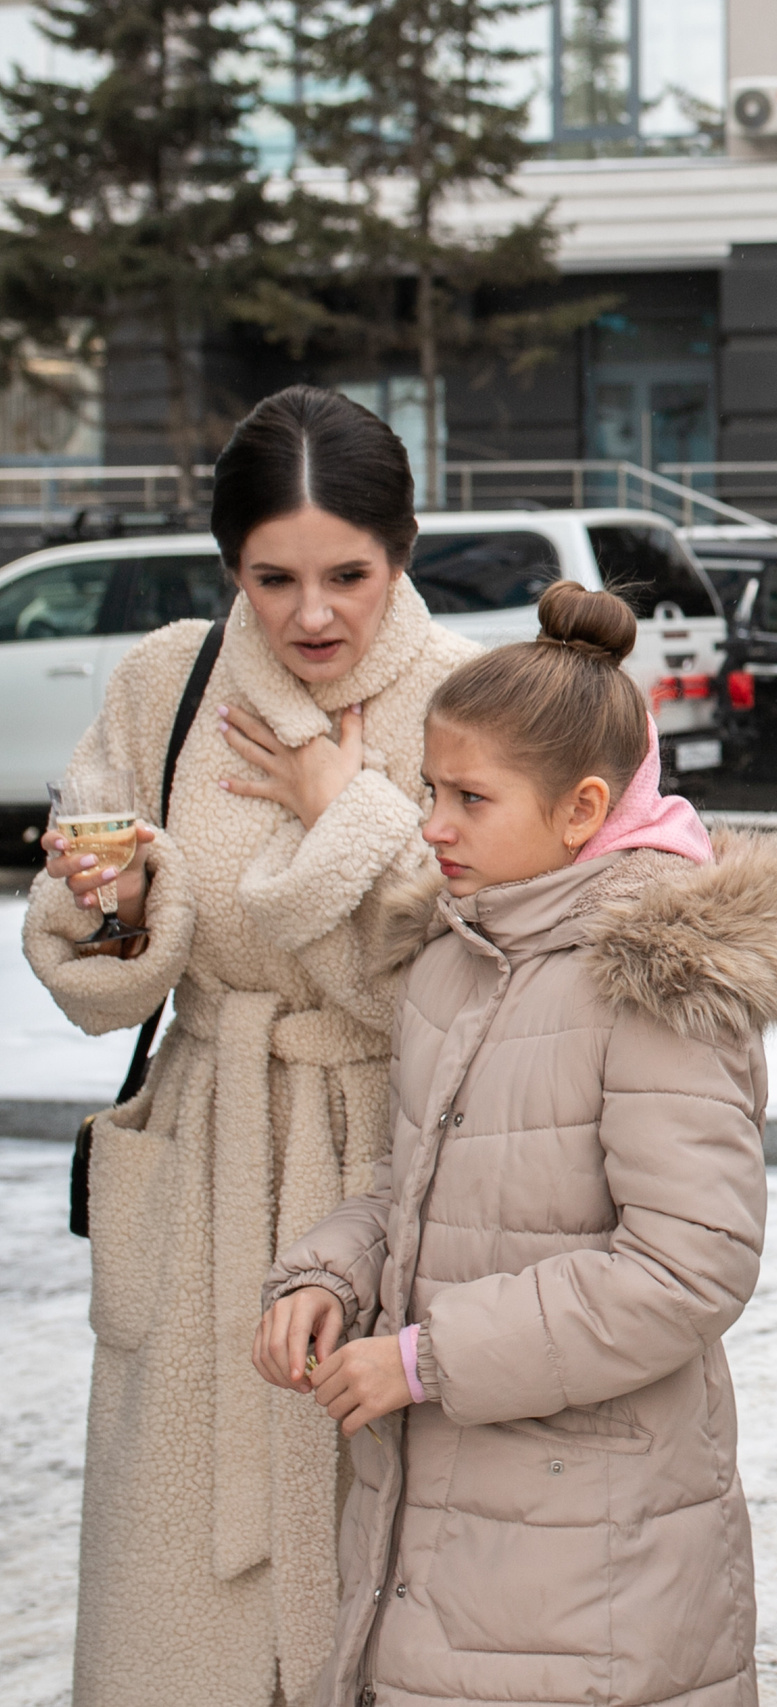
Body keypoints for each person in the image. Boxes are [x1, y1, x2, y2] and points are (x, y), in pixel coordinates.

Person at [248, 581, 777, 1707]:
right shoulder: (455, 954)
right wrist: (330, 1273)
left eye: (470, 797)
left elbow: (688, 1267)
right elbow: (416, 1188)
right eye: (430, 789)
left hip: (595, 1552)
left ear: (581, 809)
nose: (431, 826)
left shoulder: (655, 980)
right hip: (439, 1526)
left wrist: (426, 1360)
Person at [23, 386, 483, 1707]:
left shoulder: (471, 699)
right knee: (182, 1611)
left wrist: (353, 818)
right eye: (273, 578)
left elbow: (490, 988)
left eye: (348, 575)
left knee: (384, 1578)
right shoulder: (165, 683)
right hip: (201, 1174)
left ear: (403, 551)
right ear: (232, 566)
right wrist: (115, 907)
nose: (312, 614)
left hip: (392, 1171)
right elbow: (98, 979)